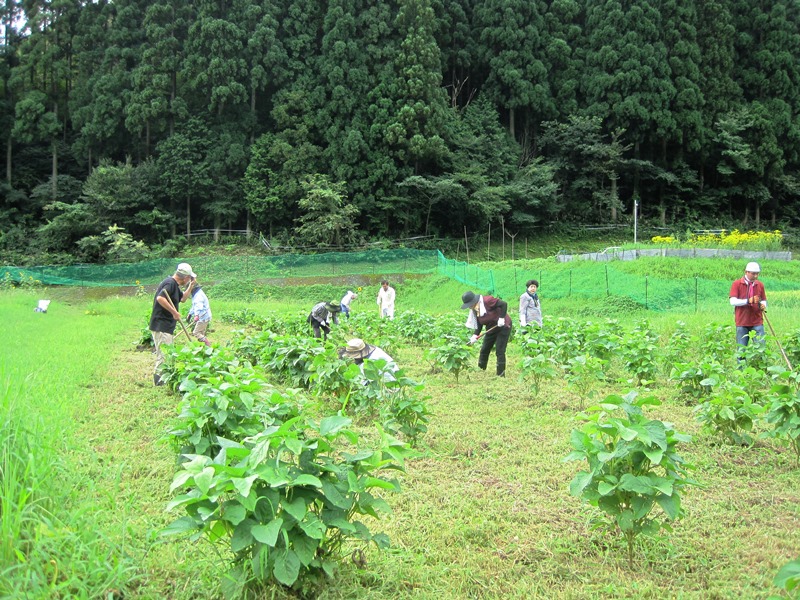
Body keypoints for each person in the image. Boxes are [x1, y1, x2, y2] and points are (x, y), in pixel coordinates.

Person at [149, 262, 195, 386]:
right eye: (189, 278)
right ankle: (159, 382)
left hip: (166, 325)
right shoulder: (169, 283)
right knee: (163, 355)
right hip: (161, 324)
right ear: (185, 277)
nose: (189, 279)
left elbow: (183, 299)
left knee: (167, 353)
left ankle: (164, 379)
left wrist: (190, 286)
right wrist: (174, 312)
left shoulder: (175, 285)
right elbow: (160, 298)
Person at [461, 290, 512, 377]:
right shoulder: (475, 309)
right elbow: (479, 324)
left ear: (474, 301)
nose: (469, 307)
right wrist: (475, 335)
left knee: (500, 350)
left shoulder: (487, 301)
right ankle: (481, 370)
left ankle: (501, 374)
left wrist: (502, 318)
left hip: (503, 326)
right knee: (484, 349)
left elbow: (504, 304)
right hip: (491, 327)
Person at [729, 261, 767, 349]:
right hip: (742, 321)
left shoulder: (760, 285)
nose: (756, 276)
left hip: (757, 321)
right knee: (741, 349)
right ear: (746, 272)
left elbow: (764, 300)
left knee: (761, 348)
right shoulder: (737, 284)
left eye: (757, 274)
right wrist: (748, 301)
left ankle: (759, 362)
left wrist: (763, 305)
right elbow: (732, 301)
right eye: (753, 274)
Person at [186, 278, 212, 347]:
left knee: (196, 332)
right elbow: (194, 305)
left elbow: (199, 306)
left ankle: (208, 344)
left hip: (203, 316)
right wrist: (190, 314)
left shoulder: (198, 296)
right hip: (204, 316)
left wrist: (196, 315)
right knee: (201, 333)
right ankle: (206, 348)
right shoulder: (197, 294)